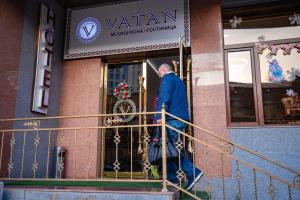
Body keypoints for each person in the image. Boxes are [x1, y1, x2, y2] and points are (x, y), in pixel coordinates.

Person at [154, 63, 203, 190]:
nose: (159, 77)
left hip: (171, 119)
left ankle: (192, 172)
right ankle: (172, 179)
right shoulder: (179, 81)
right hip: (179, 119)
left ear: (164, 70)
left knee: (173, 149)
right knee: (169, 149)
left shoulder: (167, 79)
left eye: (159, 73)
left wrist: (159, 117)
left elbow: (164, 98)